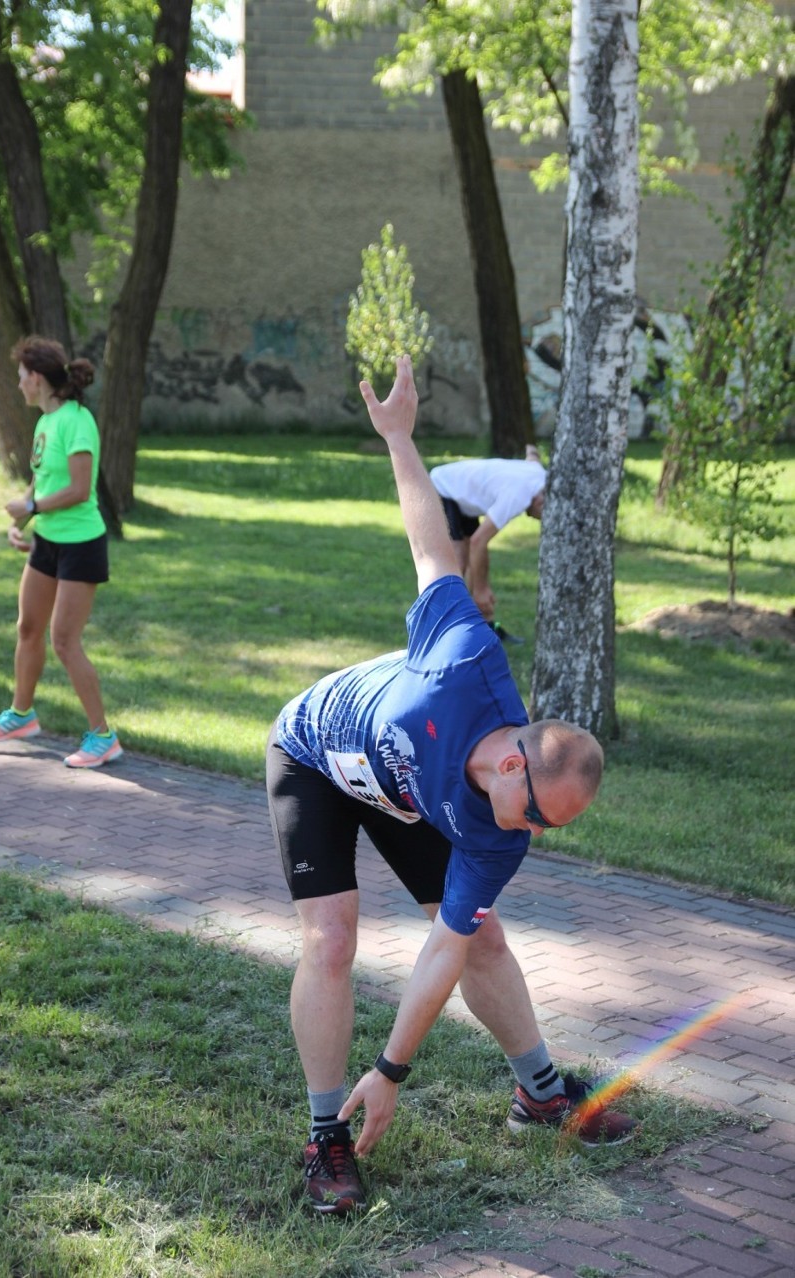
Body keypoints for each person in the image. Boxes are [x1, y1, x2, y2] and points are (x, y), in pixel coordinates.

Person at [266, 355, 636, 1218]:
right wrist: (399, 437)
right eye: (540, 816)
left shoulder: (502, 826)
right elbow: (430, 542)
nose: (534, 837)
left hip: (401, 792)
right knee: (331, 942)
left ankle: (539, 1095)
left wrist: (392, 1069)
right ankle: (327, 1137)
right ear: (515, 764)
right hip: (315, 753)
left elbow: (444, 952)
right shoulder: (463, 658)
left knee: (481, 936)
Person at [0, 336, 123, 770]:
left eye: (21, 377)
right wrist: (20, 522)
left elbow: (79, 489)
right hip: (48, 542)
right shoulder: (46, 422)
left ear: (36, 378)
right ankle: (21, 715)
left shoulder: (77, 421)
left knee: (63, 640)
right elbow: (41, 482)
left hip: (81, 544)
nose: (18, 385)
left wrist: (33, 508)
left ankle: (103, 736)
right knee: (28, 628)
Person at [429, 447, 546, 623]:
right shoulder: (518, 495)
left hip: (463, 496)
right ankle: (440, 624)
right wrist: (481, 588)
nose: (535, 519)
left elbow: (532, 457)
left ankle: (475, 623)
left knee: (469, 563)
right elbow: (479, 541)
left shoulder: (540, 475)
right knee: (457, 564)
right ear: (541, 501)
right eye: (542, 516)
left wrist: (532, 449)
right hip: (444, 487)